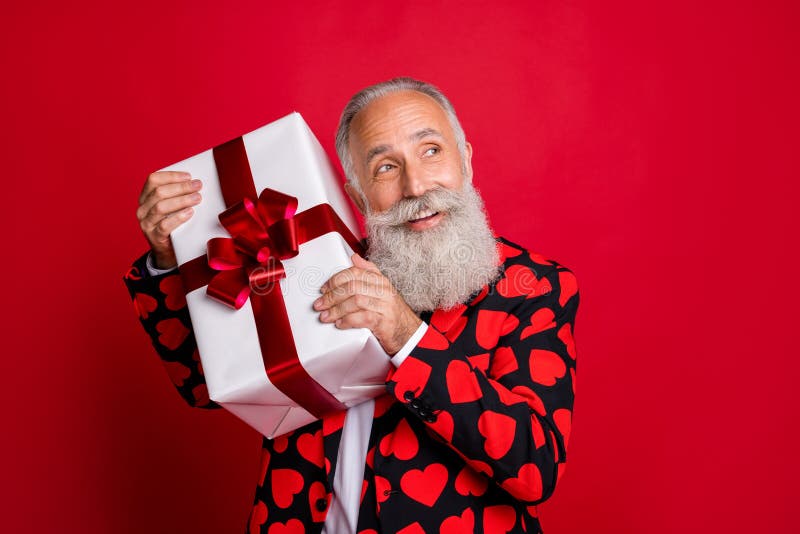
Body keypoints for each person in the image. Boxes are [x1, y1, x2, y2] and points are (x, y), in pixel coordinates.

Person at [123, 77, 579, 533]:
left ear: (466, 161)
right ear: (358, 194)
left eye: (432, 151)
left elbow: (533, 465)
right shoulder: (314, 265)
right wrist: (171, 257)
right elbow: (206, 385)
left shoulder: (533, 287)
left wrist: (405, 336)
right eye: (385, 167)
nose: (416, 186)